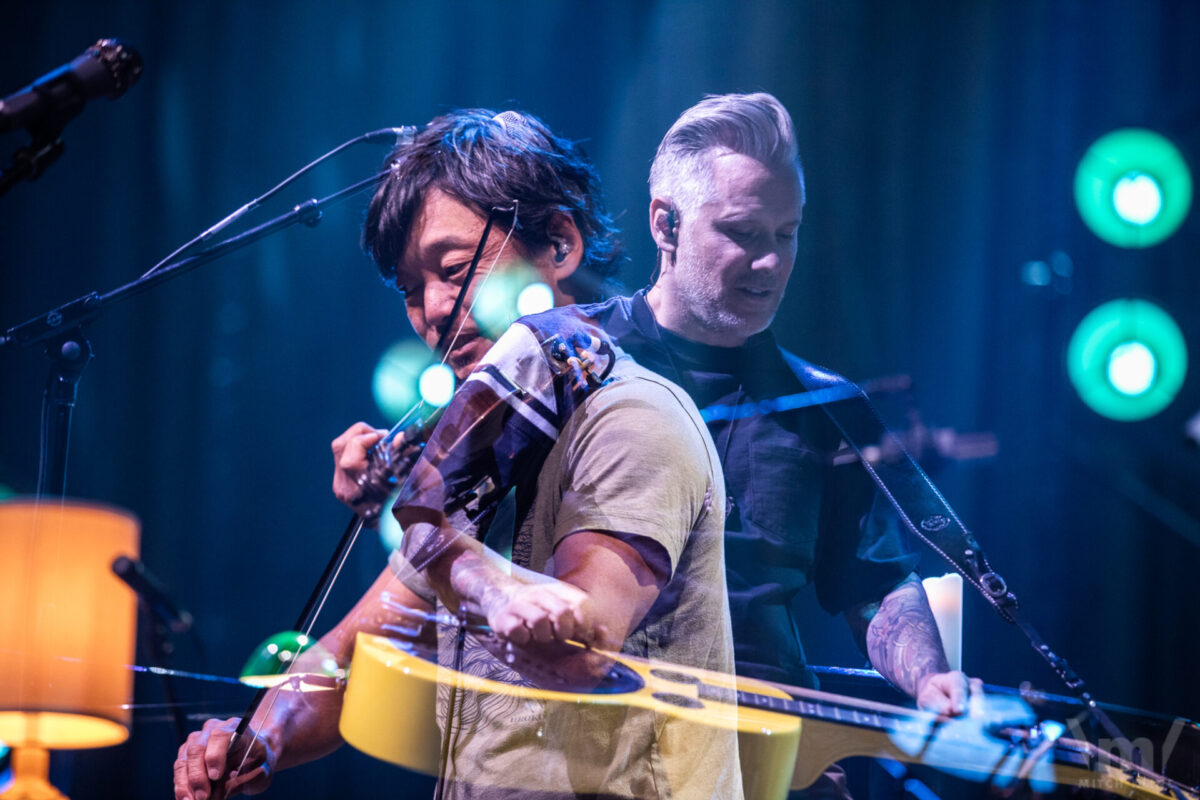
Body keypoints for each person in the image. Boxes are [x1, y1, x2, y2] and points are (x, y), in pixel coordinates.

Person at [173, 109, 740, 800]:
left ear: (559, 244)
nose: (433, 311)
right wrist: (258, 739)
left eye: (452, 269)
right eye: (411, 290)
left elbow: (579, 646)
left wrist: (438, 530)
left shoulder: (631, 417)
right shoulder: (478, 459)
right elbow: (346, 661)